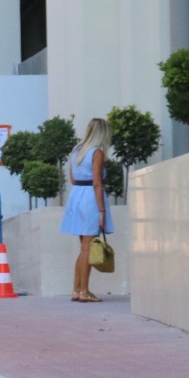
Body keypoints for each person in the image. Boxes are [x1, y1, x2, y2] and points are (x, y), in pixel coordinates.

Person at [59, 117, 114, 303]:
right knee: (87, 249)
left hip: (77, 196)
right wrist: (101, 211)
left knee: (84, 248)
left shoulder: (76, 151)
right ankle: (84, 291)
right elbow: (97, 182)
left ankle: (76, 290)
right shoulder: (96, 153)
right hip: (90, 198)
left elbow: (73, 179)